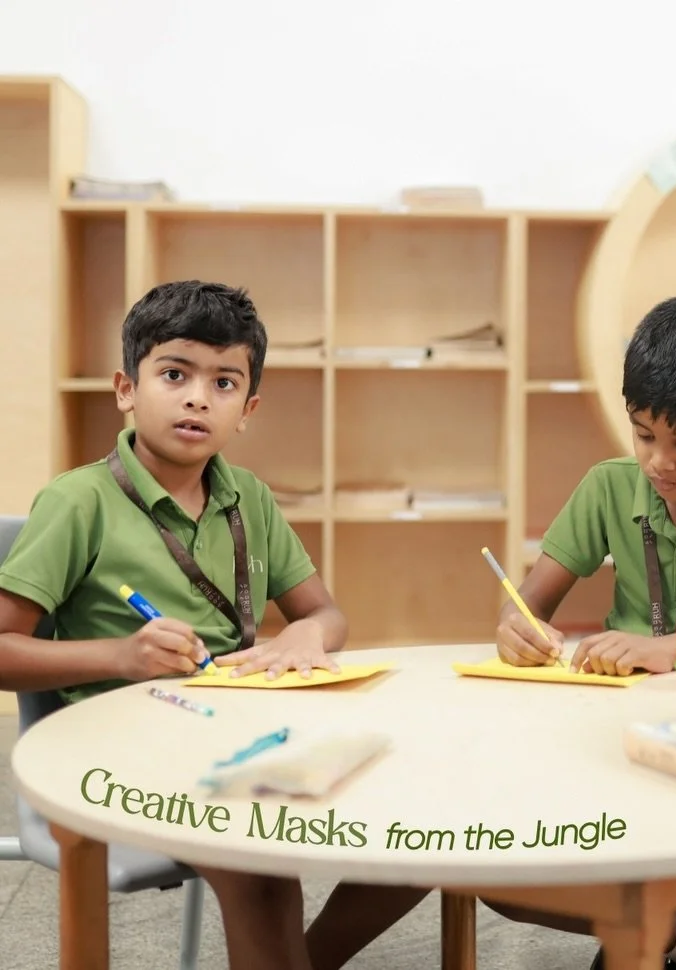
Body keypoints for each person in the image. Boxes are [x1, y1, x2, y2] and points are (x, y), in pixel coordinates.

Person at [302, 295, 676, 970]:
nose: (659, 461)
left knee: (509, 865)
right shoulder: (607, 488)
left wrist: (663, 649)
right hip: (602, 728)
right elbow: (528, 604)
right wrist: (520, 630)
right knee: (479, 857)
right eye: (643, 434)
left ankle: (667, 927)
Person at [0, 280, 349, 970]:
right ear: (126, 389)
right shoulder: (78, 501)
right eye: (174, 374)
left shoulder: (248, 495)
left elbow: (325, 613)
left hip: (232, 731)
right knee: (258, 865)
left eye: (223, 382)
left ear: (247, 409)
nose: (197, 397)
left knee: (399, 817)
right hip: (115, 751)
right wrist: (121, 656)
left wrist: (308, 634)